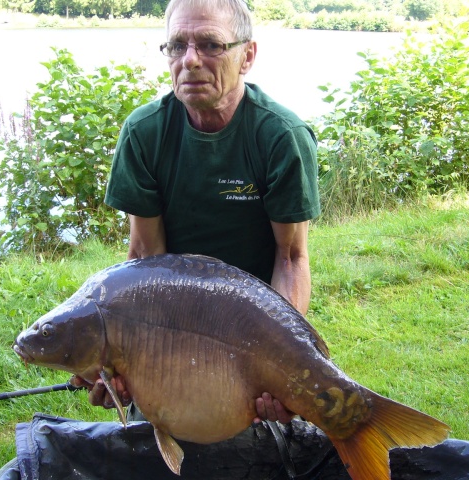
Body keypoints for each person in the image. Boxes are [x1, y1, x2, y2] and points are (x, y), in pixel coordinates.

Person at [71, 0, 321, 425]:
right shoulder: (144, 133)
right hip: (170, 328)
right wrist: (126, 359)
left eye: (210, 45)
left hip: (253, 326)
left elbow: (291, 258)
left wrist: (280, 357)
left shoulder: (282, 136)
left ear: (248, 56)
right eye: (177, 45)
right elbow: (144, 261)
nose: (190, 60)